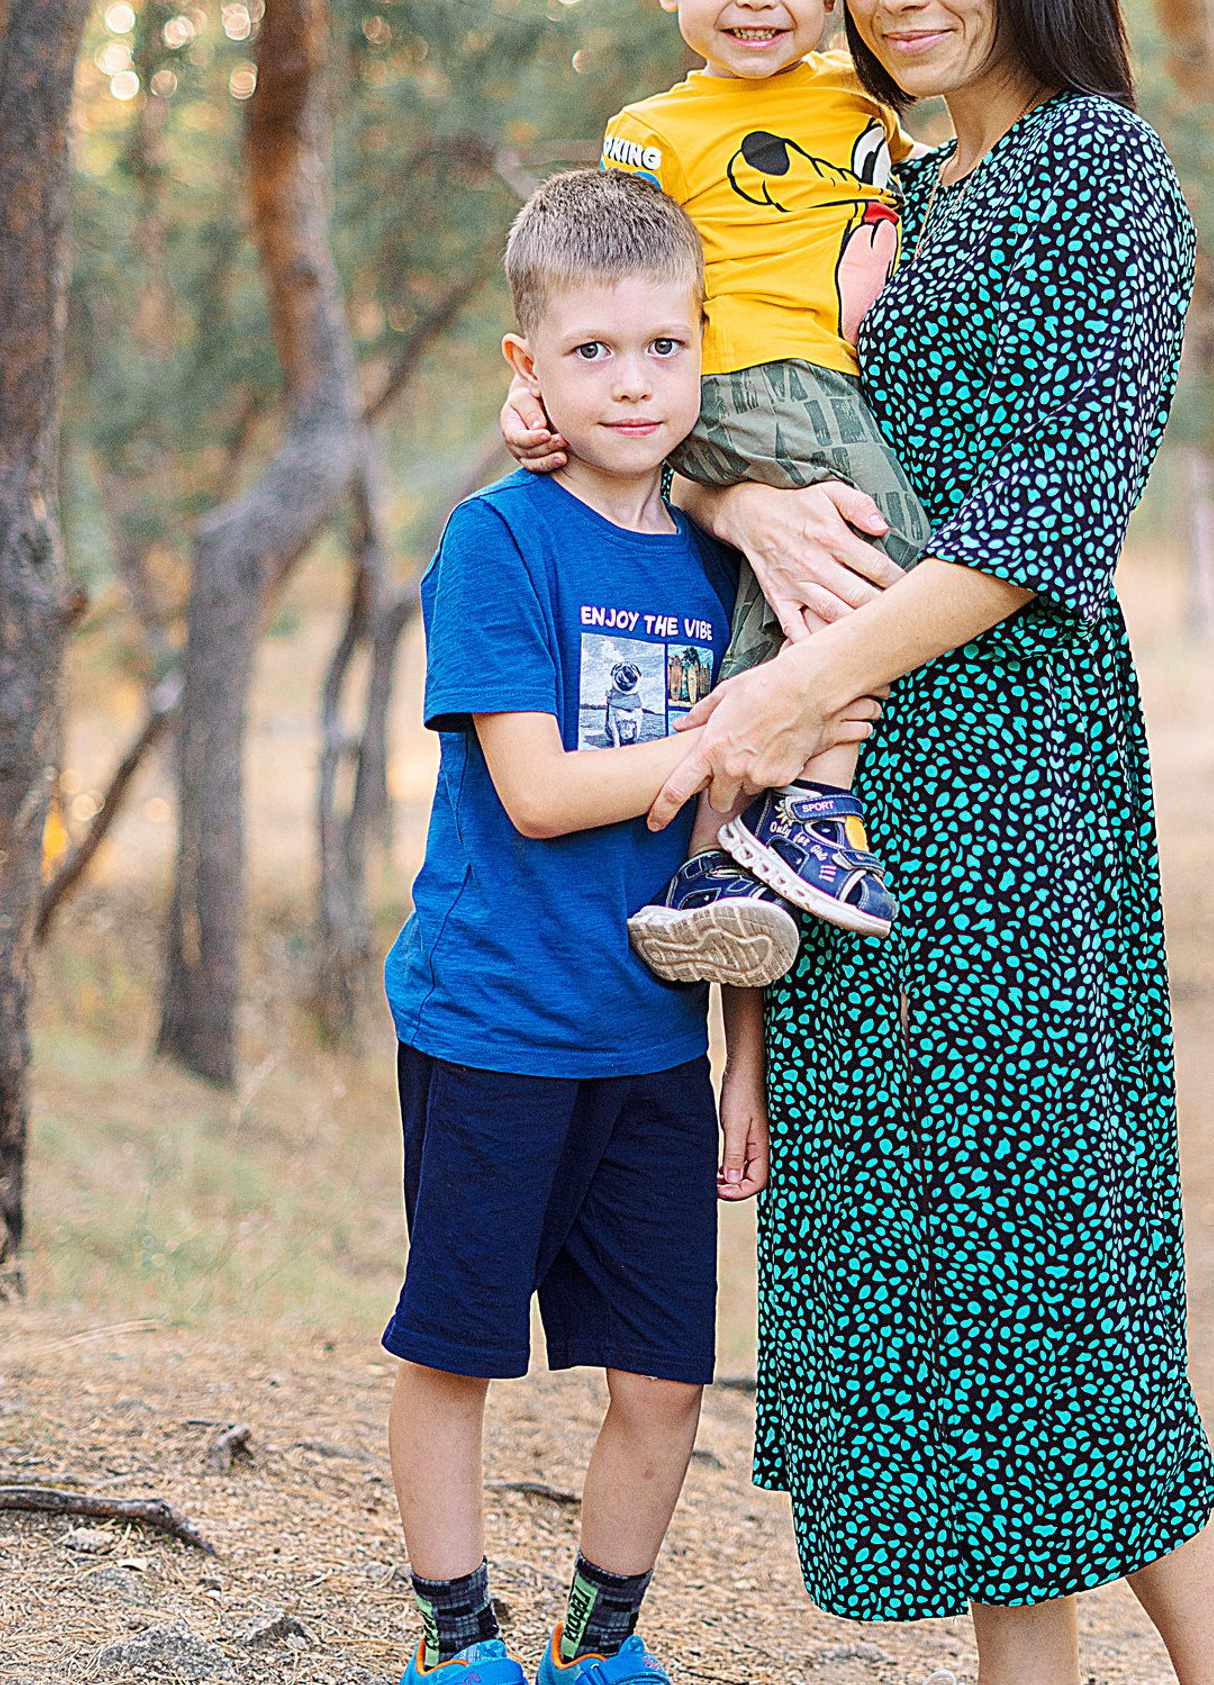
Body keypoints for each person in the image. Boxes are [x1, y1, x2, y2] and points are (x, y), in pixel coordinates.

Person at [506, 0, 1214, 1681]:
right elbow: (723, 411)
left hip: (1004, 789)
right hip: (835, 820)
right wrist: (730, 502)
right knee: (965, 1322)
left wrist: (789, 685)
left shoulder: (1098, 168)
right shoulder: (892, 179)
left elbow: (1045, 520)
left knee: (1059, 1295)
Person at [381, 169, 876, 1685]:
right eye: (592, 351)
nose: (636, 380)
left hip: (655, 1042)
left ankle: (604, 1644)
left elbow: (739, 859)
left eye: (665, 346)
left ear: (705, 346)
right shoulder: (502, 541)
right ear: (528, 370)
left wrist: (742, 1058)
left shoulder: (729, 565)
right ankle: (459, 1641)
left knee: (664, 1376)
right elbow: (533, 792)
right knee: (455, 1349)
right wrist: (731, 744)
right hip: (499, 1019)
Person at [573, 0, 934, 979]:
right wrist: (547, 395)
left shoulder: (860, 110)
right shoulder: (651, 133)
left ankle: (719, 857)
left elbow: (873, 238)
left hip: (824, 377)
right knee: (897, 564)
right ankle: (812, 809)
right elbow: (606, 280)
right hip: (739, 379)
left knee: (783, 600)